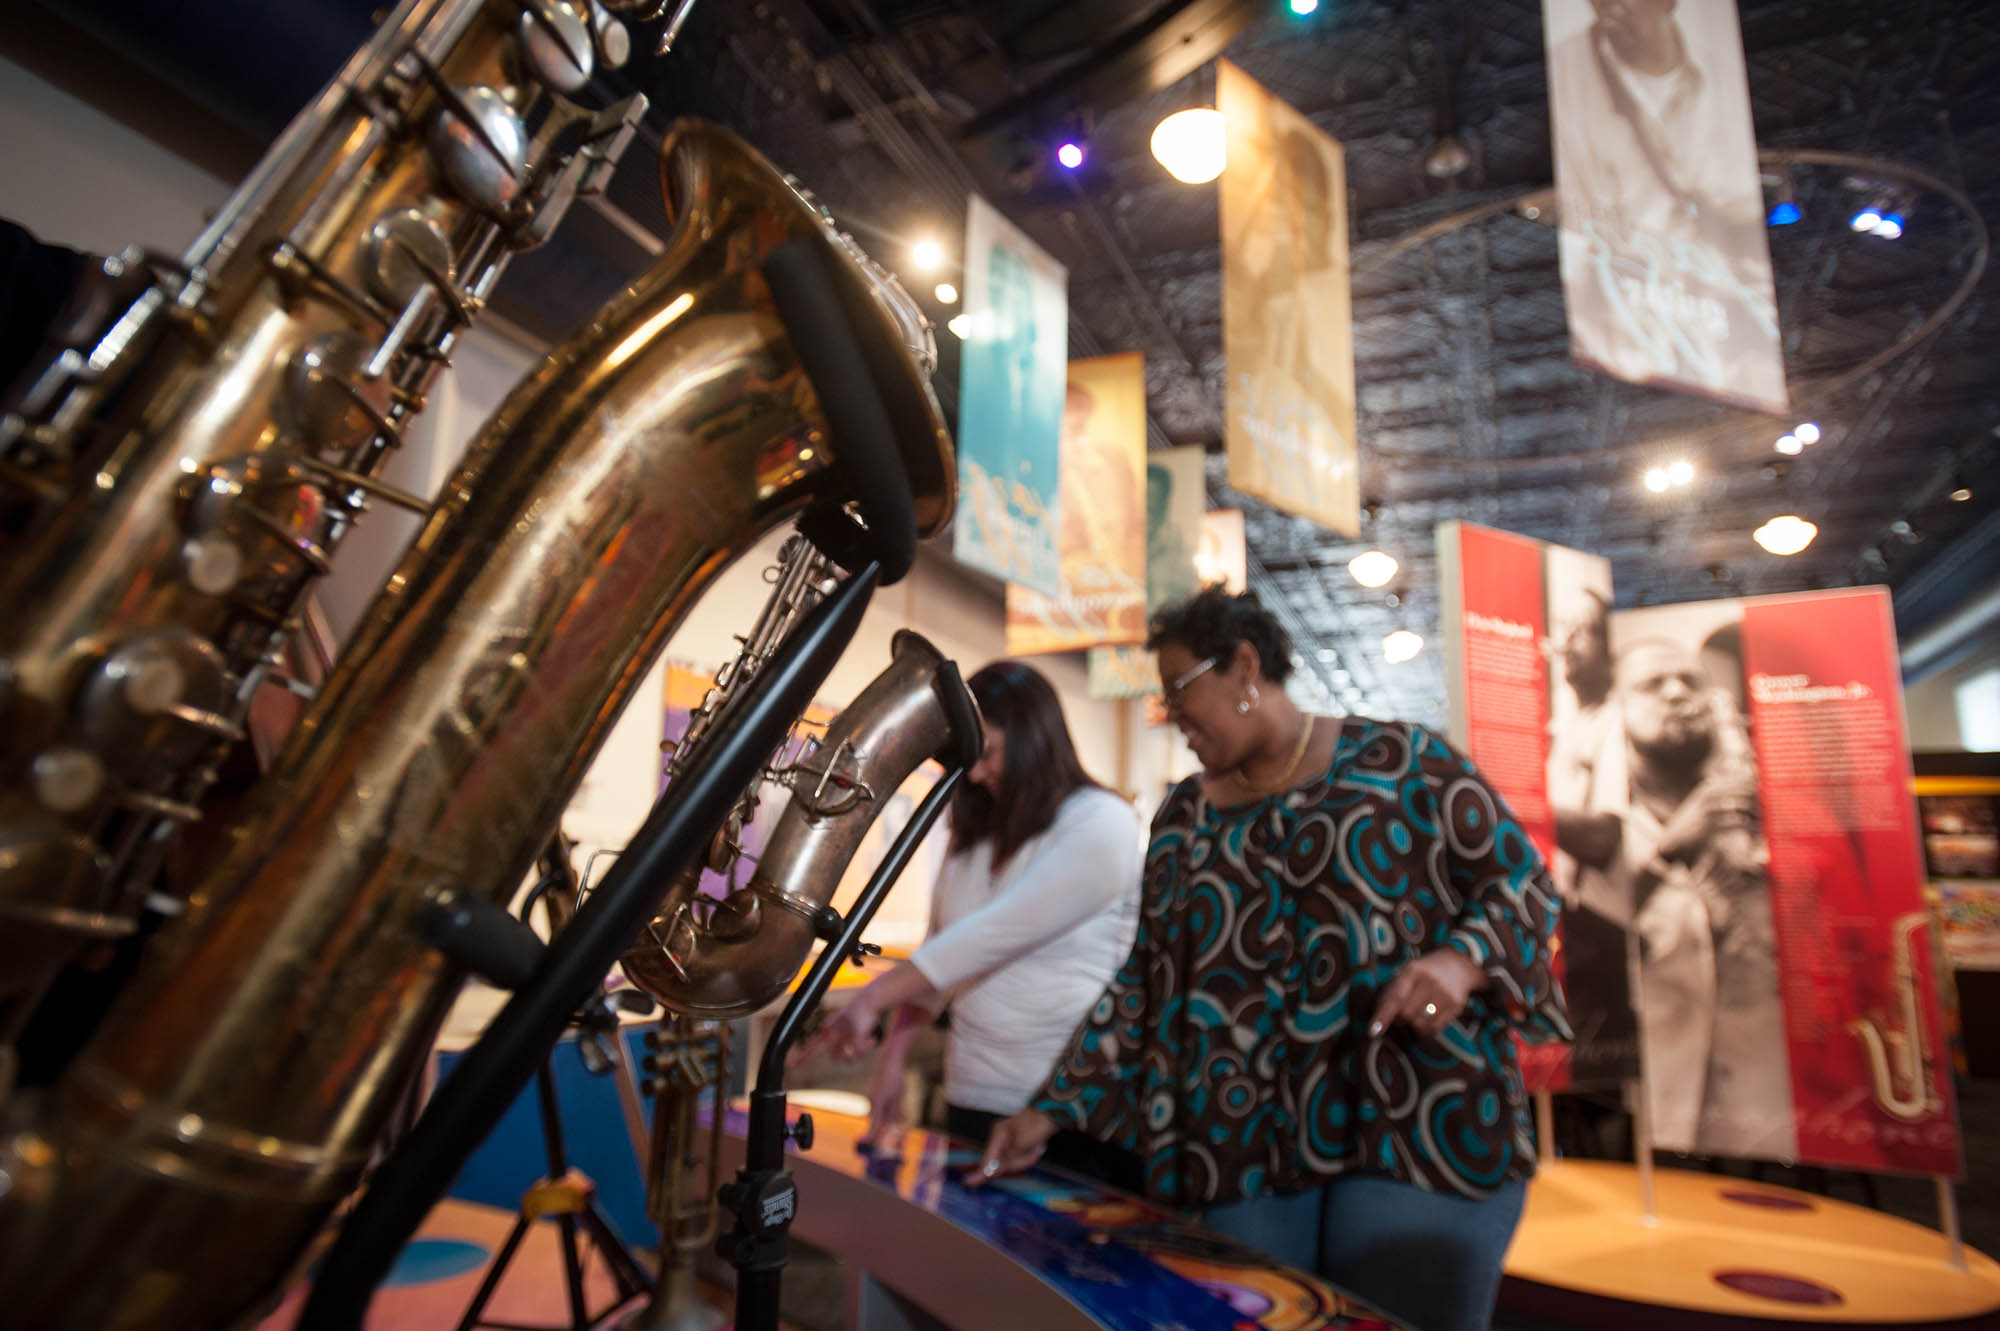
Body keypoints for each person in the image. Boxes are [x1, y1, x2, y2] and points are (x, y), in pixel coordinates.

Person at [977, 587, 1570, 1331]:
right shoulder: (1184, 817)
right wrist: (1051, 1107)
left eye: (1179, 689)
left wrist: (1461, 960)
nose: (1172, 714)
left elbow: (1525, 885)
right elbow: (1145, 977)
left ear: (1245, 666)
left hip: (1416, 1119)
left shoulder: (1406, 763)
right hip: (1243, 1139)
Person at [798, 660, 1144, 1189]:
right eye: (971, 759)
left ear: (1036, 739)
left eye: (993, 753)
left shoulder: (1102, 822)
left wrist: (873, 997)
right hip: (973, 1095)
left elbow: (997, 933)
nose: (978, 774)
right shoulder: (975, 832)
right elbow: (944, 949)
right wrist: (893, 1057)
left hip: (1066, 1110)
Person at [1546, 0, 1785, 408]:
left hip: (1711, 296)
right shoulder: (1566, 71)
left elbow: (1737, 207)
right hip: (1635, 295)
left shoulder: (1722, 78)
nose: (1611, 8)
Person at [1610, 638, 1794, 1158]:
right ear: (1618, 707)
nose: (1676, 693)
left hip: (1765, 1085)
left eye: (1690, 682)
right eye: (1652, 684)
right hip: (1647, 1084)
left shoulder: (1760, 802)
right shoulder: (1595, 824)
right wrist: (1670, 847)